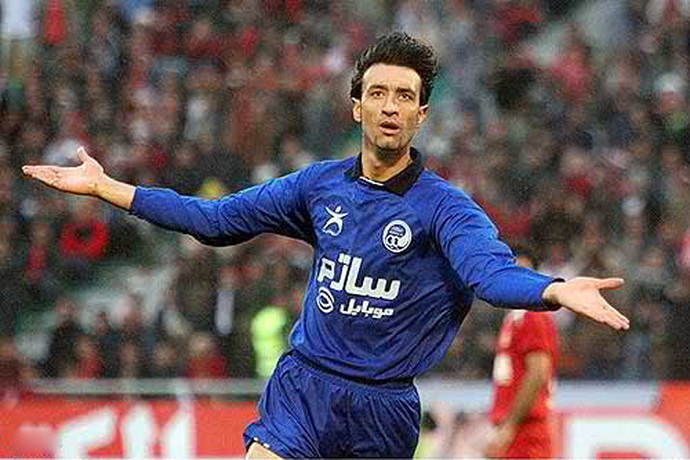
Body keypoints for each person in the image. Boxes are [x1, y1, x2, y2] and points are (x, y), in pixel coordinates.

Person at [23, 32, 629, 459]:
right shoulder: (319, 187)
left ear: (421, 115)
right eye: (379, 93)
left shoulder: (447, 209)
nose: (390, 107)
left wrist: (554, 289)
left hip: (383, 410)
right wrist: (108, 188)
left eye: (405, 97)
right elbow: (216, 219)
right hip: (304, 387)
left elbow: (490, 276)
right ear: (357, 105)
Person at [485, 249, 559, 458]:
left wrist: (509, 427)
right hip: (517, 429)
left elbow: (538, 372)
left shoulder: (532, 315)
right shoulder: (514, 318)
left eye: (524, 273)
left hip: (526, 431)